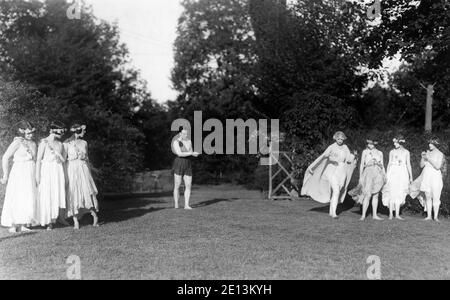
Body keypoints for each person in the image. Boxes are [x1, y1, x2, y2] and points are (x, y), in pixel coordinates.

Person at [301, 131, 357, 219]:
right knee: (336, 191)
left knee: (337, 191)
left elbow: (349, 160)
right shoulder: (331, 147)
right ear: (335, 138)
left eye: (342, 139)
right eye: (338, 139)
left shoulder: (345, 147)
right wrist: (313, 167)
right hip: (332, 171)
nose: (340, 141)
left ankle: (331, 211)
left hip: (342, 172)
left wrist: (353, 155)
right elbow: (324, 156)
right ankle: (334, 213)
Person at [0, 121, 37, 233]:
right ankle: (13, 224)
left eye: (32, 133)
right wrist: (5, 175)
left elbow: (35, 160)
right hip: (19, 172)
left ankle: (24, 223)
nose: (31, 135)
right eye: (28, 133)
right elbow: (5, 157)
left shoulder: (34, 144)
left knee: (28, 196)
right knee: (17, 196)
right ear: (22, 132)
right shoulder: (17, 142)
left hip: (30, 171)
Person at [64, 124, 99, 229]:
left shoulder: (84, 143)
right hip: (72, 169)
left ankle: (94, 216)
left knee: (87, 191)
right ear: (77, 131)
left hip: (83, 169)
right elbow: (64, 159)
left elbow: (87, 158)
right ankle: (75, 220)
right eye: (83, 131)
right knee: (74, 192)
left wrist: (91, 170)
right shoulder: (67, 144)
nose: (85, 132)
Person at [35, 121, 68, 230]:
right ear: (52, 131)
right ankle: (48, 221)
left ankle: (59, 217)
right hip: (47, 170)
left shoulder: (60, 144)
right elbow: (38, 159)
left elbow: (63, 161)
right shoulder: (44, 143)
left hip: (57, 171)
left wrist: (65, 176)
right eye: (58, 131)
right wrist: (37, 175)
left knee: (56, 193)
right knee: (47, 194)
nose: (60, 134)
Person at [348, 138, 386, 221]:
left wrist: (384, 175)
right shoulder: (365, 152)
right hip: (368, 173)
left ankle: (375, 215)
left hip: (378, 173)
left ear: (375, 144)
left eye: (372, 144)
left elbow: (382, 165)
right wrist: (361, 176)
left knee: (376, 195)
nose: (370, 146)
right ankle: (363, 215)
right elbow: (362, 164)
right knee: (367, 194)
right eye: (369, 144)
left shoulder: (380, 153)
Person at [410, 137, 444, 222]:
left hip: (435, 176)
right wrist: (422, 157)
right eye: (429, 143)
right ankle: (429, 216)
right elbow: (421, 165)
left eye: (431, 144)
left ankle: (435, 216)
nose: (429, 145)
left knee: (436, 196)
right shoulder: (427, 152)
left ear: (436, 144)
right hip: (427, 175)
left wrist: (428, 159)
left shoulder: (440, 154)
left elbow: (438, 166)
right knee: (428, 196)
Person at [382, 135, 412, 220]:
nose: (394, 144)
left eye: (396, 142)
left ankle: (397, 214)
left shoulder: (406, 152)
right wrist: (386, 175)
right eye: (394, 142)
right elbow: (389, 163)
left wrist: (410, 177)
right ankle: (391, 214)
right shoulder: (392, 152)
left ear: (400, 142)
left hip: (402, 173)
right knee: (392, 192)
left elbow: (408, 164)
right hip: (393, 172)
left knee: (400, 192)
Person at [172, 129, 199, 210]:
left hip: (187, 163)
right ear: (180, 133)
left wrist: (194, 154)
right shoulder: (176, 142)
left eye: (187, 134)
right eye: (184, 134)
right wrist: (191, 153)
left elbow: (191, 152)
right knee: (177, 184)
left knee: (188, 185)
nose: (185, 135)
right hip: (179, 162)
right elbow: (179, 153)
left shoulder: (189, 141)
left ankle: (186, 205)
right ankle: (176, 204)